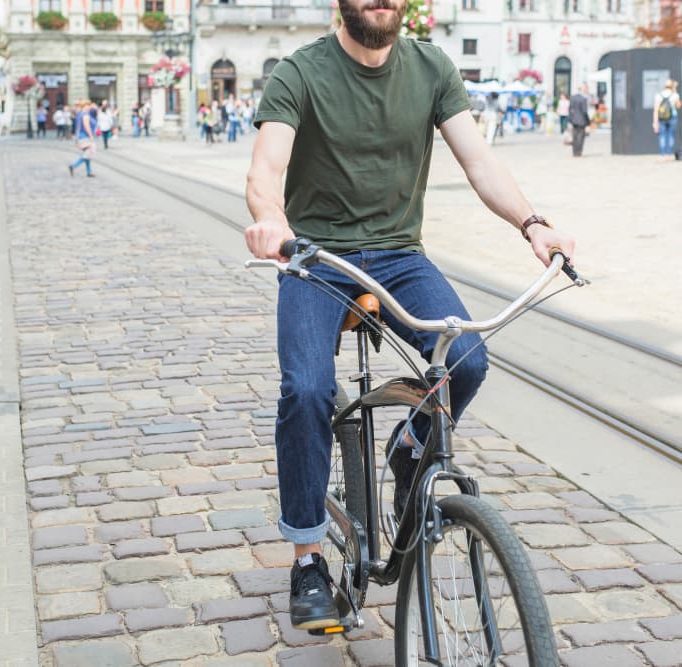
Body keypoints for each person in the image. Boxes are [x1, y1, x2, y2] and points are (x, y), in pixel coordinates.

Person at [244, 0, 576, 631]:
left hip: (399, 257)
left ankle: (410, 446)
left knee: (469, 362)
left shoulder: (431, 67)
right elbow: (266, 170)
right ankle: (309, 556)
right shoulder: (300, 72)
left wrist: (533, 224)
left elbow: (480, 162)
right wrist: (272, 222)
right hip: (316, 256)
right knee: (307, 388)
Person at [652, 79, 680, 162]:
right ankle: (669, 154)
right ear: (671, 86)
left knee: (662, 136)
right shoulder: (674, 95)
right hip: (672, 117)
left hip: (661, 118)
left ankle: (662, 155)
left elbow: (656, 110)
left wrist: (655, 122)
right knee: (670, 135)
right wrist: (675, 89)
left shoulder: (658, 95)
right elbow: (678, 106)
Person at [68, 101, 96, 177]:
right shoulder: (85, 115)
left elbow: (77, 126)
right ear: (85, 106)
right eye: (89, 105)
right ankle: (73, 165)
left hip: (80, 136)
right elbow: (86, 126)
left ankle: (89, 172)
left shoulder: (79, 114)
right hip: (85, 136)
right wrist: (91, 136)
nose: (90, 107)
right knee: (88, 154)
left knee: (87, 154)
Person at [568, 83, 590, 157]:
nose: (587, 90)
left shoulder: (573, 97)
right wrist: (588, 122)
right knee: (580, 136)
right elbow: (585, 111)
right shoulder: (583, 99)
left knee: (575, 135)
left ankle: (574, 152)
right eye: (586, 88)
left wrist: (570, 120)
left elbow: (570, 109)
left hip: (574, 120)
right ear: (583, 89)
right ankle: (579, 152)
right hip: (582, 120)